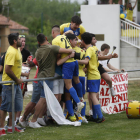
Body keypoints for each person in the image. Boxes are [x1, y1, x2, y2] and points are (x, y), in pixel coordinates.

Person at [29, 33, 74, 128]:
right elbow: (68, 50)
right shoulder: (51, 48)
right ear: (46, 38)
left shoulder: (38, 51)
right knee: (42, 100)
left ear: (38, 42)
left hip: (40, 76)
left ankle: (35, 119)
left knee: (41, 100)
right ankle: (33, 120)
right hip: (48, 77)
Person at [52, 25, 84, 122]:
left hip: (67, 64)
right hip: (74, 61)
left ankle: (78, 102)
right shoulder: (64, 36)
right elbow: (69, 33)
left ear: (53, 33)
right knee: (76, 80)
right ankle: (81, 98)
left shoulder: (55, 41)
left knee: (68, 85)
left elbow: (58, 58)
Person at [77, 32, 105, 123]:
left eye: (81, 40)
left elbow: (86, 61)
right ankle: (95, 116)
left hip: (92, 75)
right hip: (96, 74)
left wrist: (75, 61)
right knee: (94, 96)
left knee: (93, 96)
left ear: (83, 41)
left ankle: (100, 117)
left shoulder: (89, 50)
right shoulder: (93, 48)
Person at [0, 33, 24, 136]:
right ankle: (1, 128)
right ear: (15, 41)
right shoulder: (11, 52)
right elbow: (7, 70)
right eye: (19, 39)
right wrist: (17, 80)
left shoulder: (17, 50)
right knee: (5, 107)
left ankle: (11, 127)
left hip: (15, 83)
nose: (21, 41)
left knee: (16, 106)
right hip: (9, 84)